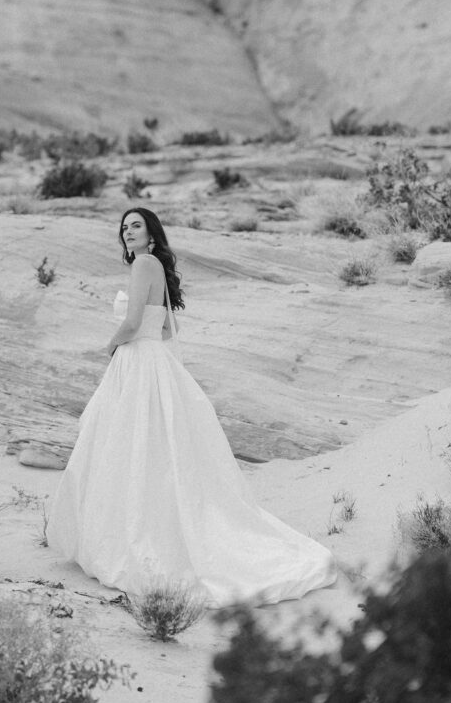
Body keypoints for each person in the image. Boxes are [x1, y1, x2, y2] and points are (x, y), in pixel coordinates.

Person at [46, 207, 336, 606]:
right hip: (152, 360)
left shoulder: (143, 264)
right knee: (150, 449)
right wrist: (139, 336)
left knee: (129, 448)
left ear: (151, 235)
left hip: (136, 360)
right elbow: (168, 328)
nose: (127, 233)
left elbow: (132, 324)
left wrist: (110, 346)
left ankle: (127, 537)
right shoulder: (156, 268)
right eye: (124, 227)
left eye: (135, 226)